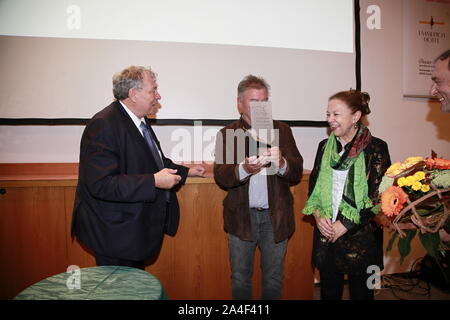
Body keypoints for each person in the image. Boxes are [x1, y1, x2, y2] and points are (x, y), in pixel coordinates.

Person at [71, 66, 206, 269]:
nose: (158, 96)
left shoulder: (138, 120)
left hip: (132, 232)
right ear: (133, 94)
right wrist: (153, 181)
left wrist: (186, 171)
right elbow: (101, 184)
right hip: (114, 235)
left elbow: (154, 161)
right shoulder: (104, 125)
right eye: (153, 90)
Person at [213, 75, 303, 299]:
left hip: (276, 218)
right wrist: (244, 168)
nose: (261, 107)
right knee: (240, 277)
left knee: (274, 277)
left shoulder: (282, 130)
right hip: (242, 218)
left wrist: (282, 163)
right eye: (255, 101)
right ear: (240, 103)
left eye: (264, 101)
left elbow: (296, 173)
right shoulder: (227, 133)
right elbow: (222, 177)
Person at [303, 90, 391, 300]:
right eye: (328, 114)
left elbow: (381, 197)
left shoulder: (376, 148)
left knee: (363, 295)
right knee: (328, 294)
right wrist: (317, 215)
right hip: (327, 236)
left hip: (362, 240)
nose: (330, 120)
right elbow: (313, 188)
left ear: (356, 117)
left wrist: (345, 225)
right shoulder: (324, 146)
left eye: (336, 114)